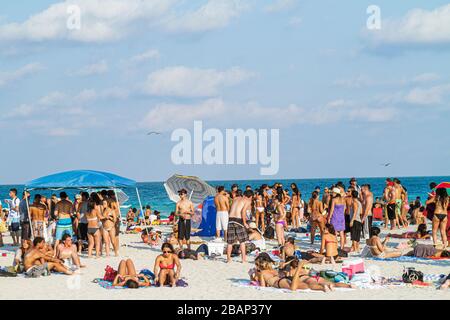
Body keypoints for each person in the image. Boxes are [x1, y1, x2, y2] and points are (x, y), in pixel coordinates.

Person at [226, 190, 253, 263]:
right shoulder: (247, 200)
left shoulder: (235, 199)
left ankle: (228, 259)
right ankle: (243, 260)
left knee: (230, 242)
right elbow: (243, 211)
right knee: (242, 241)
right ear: (250, 196)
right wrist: (244, 223)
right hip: (238, 220)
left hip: (230, 219)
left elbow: (230, 209)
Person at [86, 193, 102, 258]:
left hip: (89, 229)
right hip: (95, 228)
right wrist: (106, 216)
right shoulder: (95, 210)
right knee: (97, 243)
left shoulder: (87, 212)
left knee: (91, 243)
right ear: (93, 205)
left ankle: (89, 255)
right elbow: (100, 217)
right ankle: (97, 255)